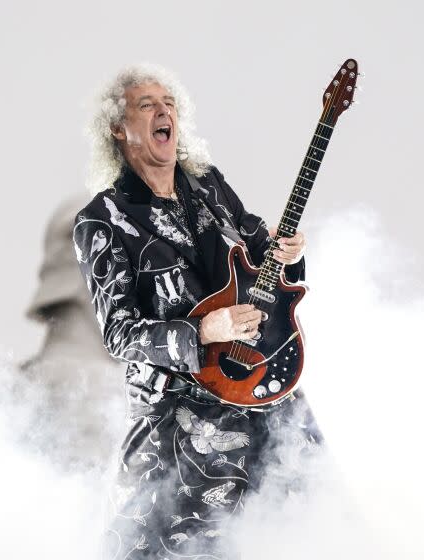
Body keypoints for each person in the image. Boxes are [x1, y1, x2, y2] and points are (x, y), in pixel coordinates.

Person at [74, 64, 321, 559]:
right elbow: (120, 334)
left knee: (309, 525)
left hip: (260, 387)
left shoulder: (208, 185)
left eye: (169, 103)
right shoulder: (101, 221)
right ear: (118, 130)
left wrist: (286, 254)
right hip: (181, 421)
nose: (164, 110)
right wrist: (200, 330)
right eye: (147, 105)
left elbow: (260, 257)